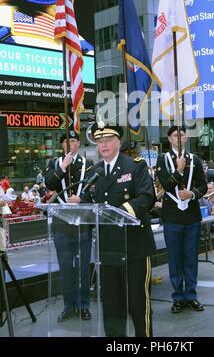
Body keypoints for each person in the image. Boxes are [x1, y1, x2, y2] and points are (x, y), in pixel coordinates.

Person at [79, 123, 156, 337]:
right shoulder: (94, 172)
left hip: (134, 247)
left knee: (138, 305)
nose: (102, 144)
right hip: (108, 250)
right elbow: (88, 202)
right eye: (99, 141)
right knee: (112, 307)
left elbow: (147, 197)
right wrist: (79, 205)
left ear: (117, 143)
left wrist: (120, 212)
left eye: (107, 140)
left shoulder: (135, 166)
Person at [155, 126, 207, 314]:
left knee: (191, 256)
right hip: (172, 216)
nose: (179, 138)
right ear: (169, 139)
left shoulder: (196, 159)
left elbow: (202, 185)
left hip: (191, 214)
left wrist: (192, 193)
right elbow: (167, 185)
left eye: (182, 135)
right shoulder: (162, 159)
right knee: (175, 258)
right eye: (175, 135)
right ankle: (178, 296)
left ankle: (191, 295)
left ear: (186, 138)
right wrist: (179, 170)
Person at [45, 129, 94, 322]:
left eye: (73, 141)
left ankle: (83, 306)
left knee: (82, 268)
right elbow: (49, 184)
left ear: (78, 144)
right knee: (65, 268)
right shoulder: (54, 163)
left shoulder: (88, 164)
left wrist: (81, 199)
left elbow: (95, 191)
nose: (70, 144)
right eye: (66, 141)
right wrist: (63, 167)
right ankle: (69, 306)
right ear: (62, 145)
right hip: (62, 224)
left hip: (82, 222)